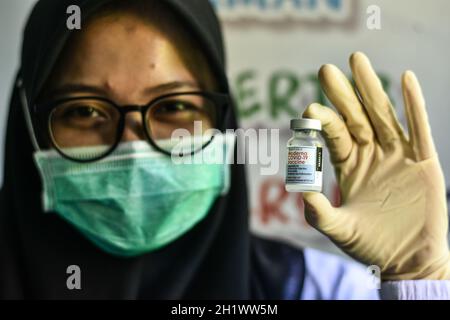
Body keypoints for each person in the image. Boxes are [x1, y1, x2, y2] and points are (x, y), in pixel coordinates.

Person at [0, 0, 448, 300]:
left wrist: (415, 280)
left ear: (224, 120)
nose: (132, 147)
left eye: (174, 106)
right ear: (28, 128)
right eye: (83, 111)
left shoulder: (326, 291)